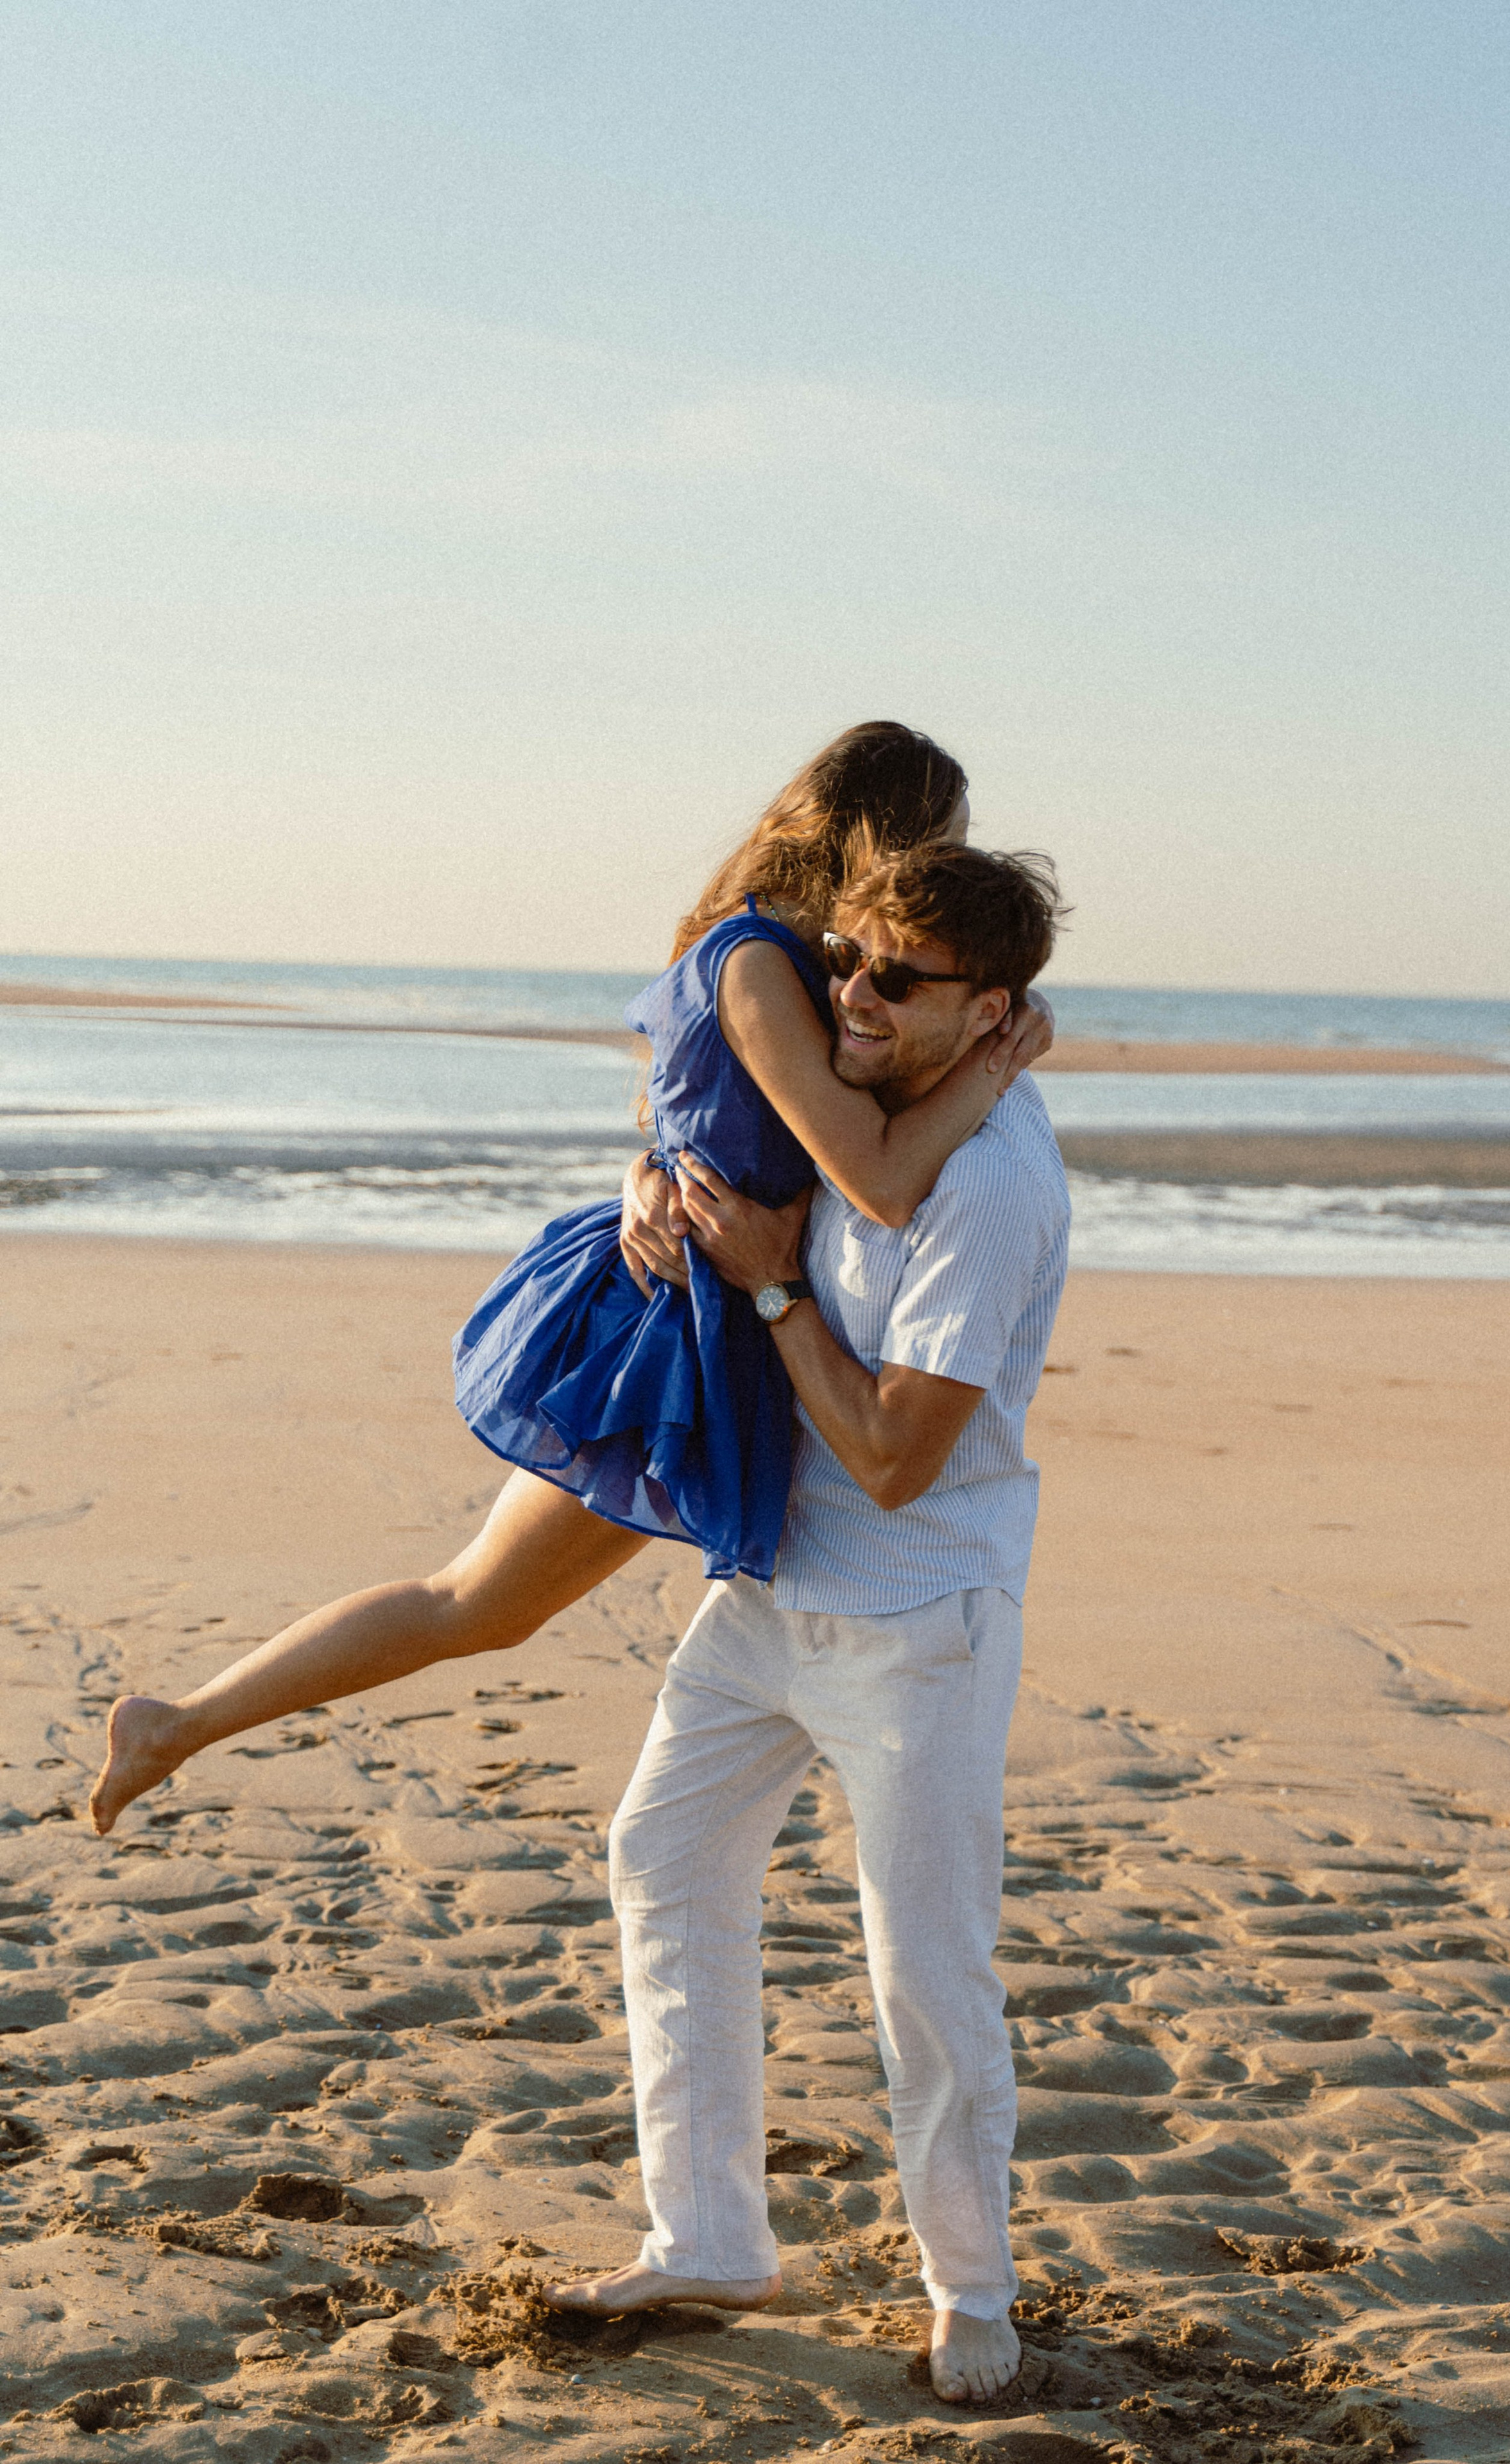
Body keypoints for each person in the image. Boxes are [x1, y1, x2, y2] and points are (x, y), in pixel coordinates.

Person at [88, 723, 1050, 1836]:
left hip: (716, 1307)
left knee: (483, 1604)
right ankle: (178, 1724)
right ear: (889, 837)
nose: (949, 882)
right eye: (945, 846)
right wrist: (993, 1066)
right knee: (479, 1601)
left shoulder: (819, 971)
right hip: (677, 1329)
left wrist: (661, 1165)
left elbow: (713, 1123)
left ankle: (178, 1723)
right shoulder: (759, 960)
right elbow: (875, 1180)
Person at [545, 840, 1072, 2408]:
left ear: (987, 1014)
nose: (848, 994)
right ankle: (707, 2238)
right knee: (661, 1853)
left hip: (921, 1615)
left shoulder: (988, 1181)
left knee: (922, 1967)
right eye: (845, 958)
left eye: (891, 982)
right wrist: (653, 1186)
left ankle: (970, 2290)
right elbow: (705, 1116)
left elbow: (902, 1460)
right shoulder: (884, 1113)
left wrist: (776, 1294)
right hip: (772, 1583)